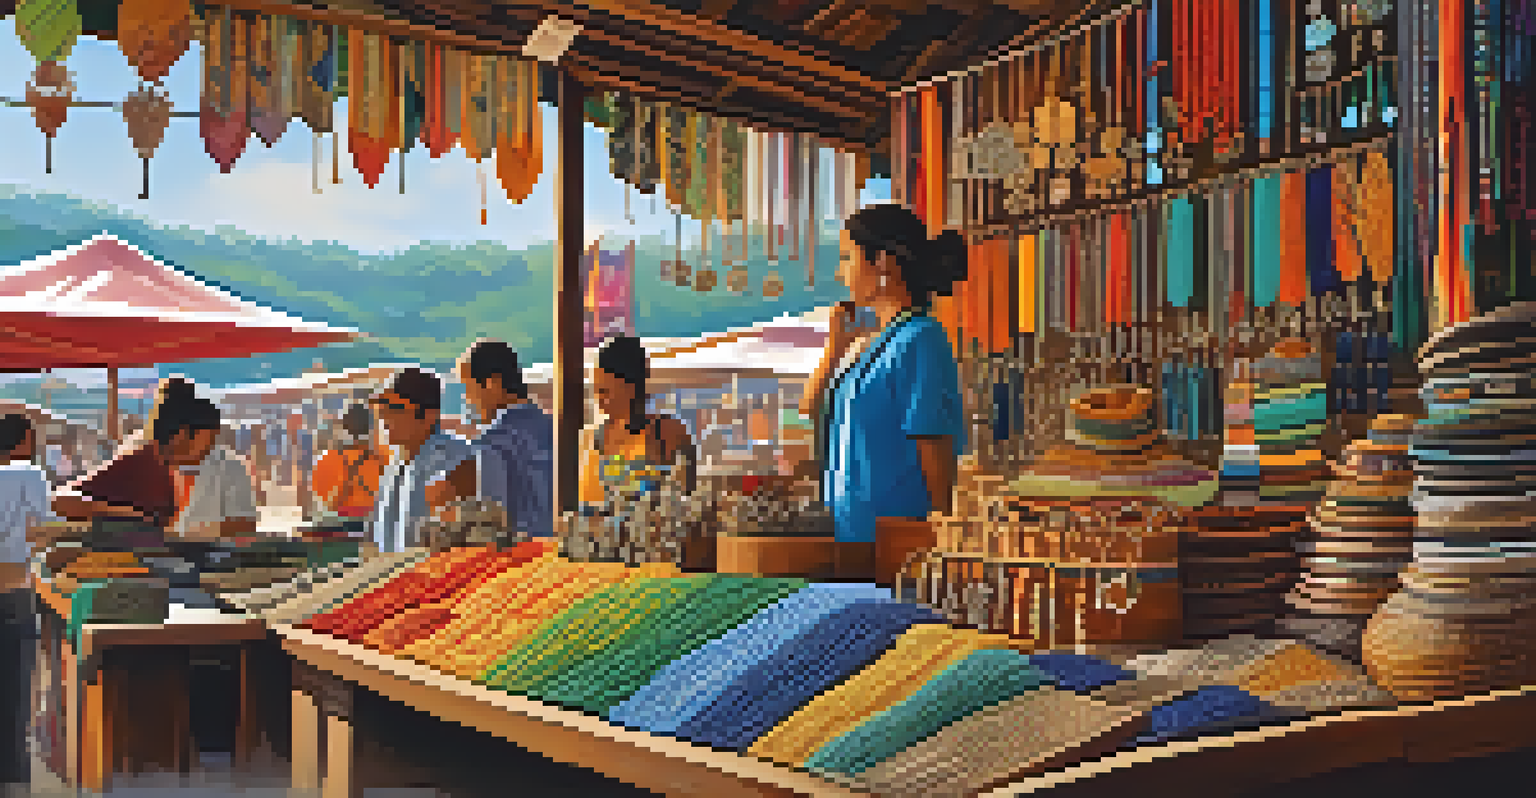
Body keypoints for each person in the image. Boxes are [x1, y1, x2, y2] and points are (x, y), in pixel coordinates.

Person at [801, 203, 967, 544]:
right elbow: (809, 408)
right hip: (851, 535)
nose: (840, 272)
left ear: (883, 263)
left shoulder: (920, 338)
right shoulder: (872, 343)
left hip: (896, 540)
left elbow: (932, 442)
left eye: (848, 257)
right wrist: (835, 348)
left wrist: (944, 536)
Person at [54, 378, 258, 538]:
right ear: (181, 434)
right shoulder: (141, 459)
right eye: (207, 438)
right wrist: (123, 514)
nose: (210, 446)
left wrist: (179, 534)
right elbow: (60, 501)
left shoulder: (229, 467)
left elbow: (244, 527)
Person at [369, 368, 477, 552]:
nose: (385, 419)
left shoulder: (460, 461)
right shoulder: (393, 465)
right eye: (381, 409)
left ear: (429, 416)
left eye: (395, 409)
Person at [580, 335, 696, 506]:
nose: (598, 399)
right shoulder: (595, 438)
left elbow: (687, 497)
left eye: (605, 391)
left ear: (630, 388)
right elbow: (588, 502)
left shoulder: (668, 432)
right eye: (596, 391)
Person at [457, 339, 554, 538]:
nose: (468, 399)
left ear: (492, 384)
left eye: (468, 388)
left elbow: (491, 522)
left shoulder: (493, 441)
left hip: (517, 558)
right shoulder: (554, 429)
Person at [0, 415, 50, 790]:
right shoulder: (28, 475)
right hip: (14, 587)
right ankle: (13, 776)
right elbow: (41, 531)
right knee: (15, 693)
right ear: (24, 440)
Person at [311, 404, 384, 520]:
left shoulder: (327, 458)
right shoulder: (382, 459)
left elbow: (325, 500)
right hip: (373, 521)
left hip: (339, 521)